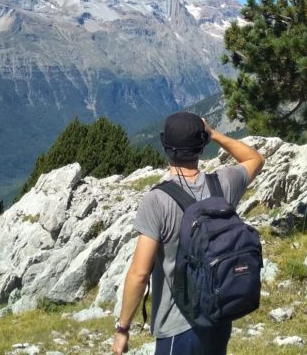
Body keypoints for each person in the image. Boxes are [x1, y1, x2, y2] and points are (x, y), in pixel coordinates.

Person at [112, 111, 266, 355]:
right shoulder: (224, 183)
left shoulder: (157, 200)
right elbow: (255, 158)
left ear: (166, 147)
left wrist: (122, 328)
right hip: (219, 315)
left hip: (178, 326)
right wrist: (214, 134)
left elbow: (139, 273)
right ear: (202, 146)